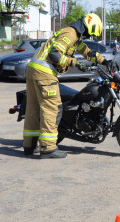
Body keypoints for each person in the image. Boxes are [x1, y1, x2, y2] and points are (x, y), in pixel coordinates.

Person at [23, 13, 105, 158]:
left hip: (33, 69)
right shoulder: (70, 33)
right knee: (52, 109)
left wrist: (103, 61)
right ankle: (48, 148)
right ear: (87, 27)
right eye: (88, 33)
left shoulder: (74, 36)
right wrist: (74, 63)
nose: (86, 36)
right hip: (44, 72)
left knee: (33, 110)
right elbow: (55, 54)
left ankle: (29, 146)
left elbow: (87, 51)